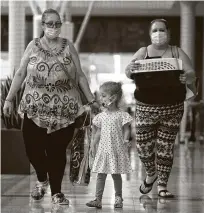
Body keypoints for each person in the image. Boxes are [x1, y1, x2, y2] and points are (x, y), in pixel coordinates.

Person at [3, 8, 99, 205]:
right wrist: (9, 99)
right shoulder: (33, 45)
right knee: (32, 150)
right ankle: (42, 178)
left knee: (57, 152)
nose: (54, 27)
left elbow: (79, 75)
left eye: (57, 24)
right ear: (43, 25)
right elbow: (21, 73)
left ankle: (57, 193)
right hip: (34, 107)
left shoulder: (68, 46)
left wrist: (91, 100)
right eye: (50, 23)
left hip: (64, 109)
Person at [125, 19, 196, 198]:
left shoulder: (176, 52)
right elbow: (128, 71)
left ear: (168, 32)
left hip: (172, 108)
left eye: (161, 30)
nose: (158, 33)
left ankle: (163, 186)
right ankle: (151, 174)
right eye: (155, 30)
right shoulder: (143, 52)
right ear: (150, 34)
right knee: (142, 145)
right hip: (145, 108)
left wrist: (187, 77)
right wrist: (130, 68)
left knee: (165, 147)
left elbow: (191, 73)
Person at [86, 82, 133, 209]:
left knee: (116, 174)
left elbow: (127, 129)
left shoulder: (122, 115)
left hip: (116, 149)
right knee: (100, 175)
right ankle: (98, 199)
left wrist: (126, 140)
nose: (101, 99)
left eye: (103, 96)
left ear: (112, 98)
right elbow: (98, 132)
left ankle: (118, 198)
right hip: (103, 150)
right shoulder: (101, 116)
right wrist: (92, 145)